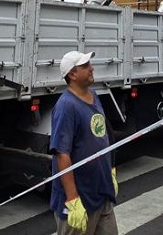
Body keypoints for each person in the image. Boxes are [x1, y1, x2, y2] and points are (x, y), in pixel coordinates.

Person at [50, 50, 118, 235]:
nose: (91, 68)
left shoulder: (93, 95)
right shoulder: (66, 106)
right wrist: (73, 200)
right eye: (85, 66)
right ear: (72, 74)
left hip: (101, 193)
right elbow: (62, 154)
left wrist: (111, 170)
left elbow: (103, 135)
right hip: (80, 199)